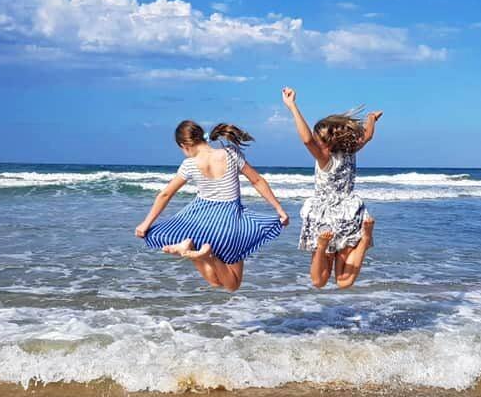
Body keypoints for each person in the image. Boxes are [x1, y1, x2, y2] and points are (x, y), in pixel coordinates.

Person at [135, 120, 289, 292]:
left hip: (200, 222)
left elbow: (165, 194)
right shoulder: (231, 153)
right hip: (229, 222)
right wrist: (279, 209)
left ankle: (195, 251)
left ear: (184, 145)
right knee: (233, 285)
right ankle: (206, 256)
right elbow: (257, 180)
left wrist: (146, 224)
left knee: (216, 283)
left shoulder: (189, 164)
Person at [281, 87, 382, 289]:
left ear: (326, 141)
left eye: (319, 138)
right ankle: (362, 239)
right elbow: (368, 136)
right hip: (348, 212)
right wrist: (371, 118)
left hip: (325, 215)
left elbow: (306, 139)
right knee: (344, 282)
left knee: (319, 282)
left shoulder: (324, 158)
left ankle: (323, 246)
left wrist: (292, 106)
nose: (316, 141)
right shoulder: (351, 150)